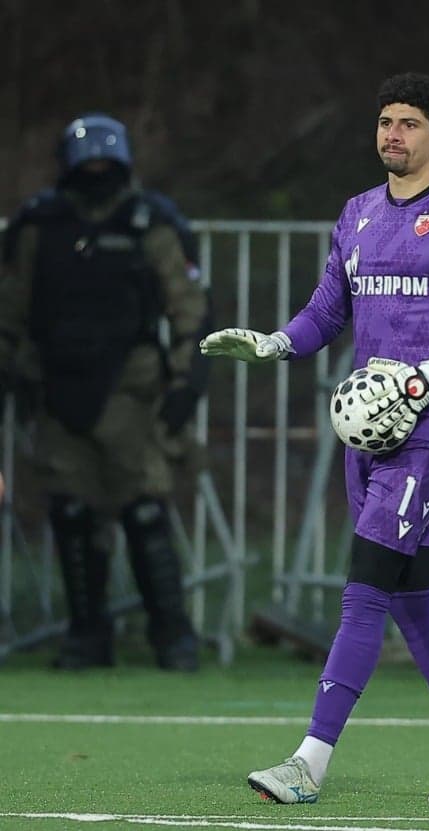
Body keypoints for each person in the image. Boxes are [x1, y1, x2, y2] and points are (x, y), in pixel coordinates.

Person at [201, 72, 429, 802]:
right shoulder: (357, 215)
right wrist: (276, 345)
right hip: (366, 433)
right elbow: (325, 312)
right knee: (411, 597)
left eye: (408, 123)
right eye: (384, 121)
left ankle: (308, 761)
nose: (392, 135)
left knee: (364, 589)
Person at [0, 113, 211, 671]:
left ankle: (172, 634)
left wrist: (189, 380)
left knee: (144, 509)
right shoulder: (39, 225)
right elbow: (10, 308)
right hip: (55, 387)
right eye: (86, 164)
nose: (96, 172)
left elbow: (189, 307)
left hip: (133, 390)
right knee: (71, 512)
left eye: (105, 164)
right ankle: (87, 635)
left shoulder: (150, 222)